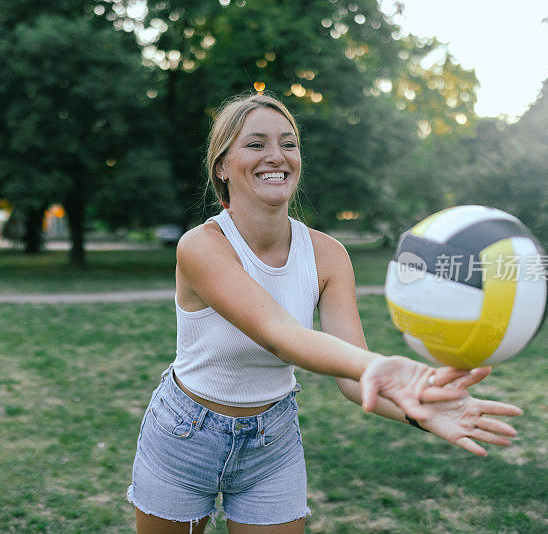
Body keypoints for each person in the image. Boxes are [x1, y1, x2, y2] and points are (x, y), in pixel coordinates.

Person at [127, 92, 522, 534]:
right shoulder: (201, 246)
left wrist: (420, 408)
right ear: (222, 166)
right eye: (256, 144)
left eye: (289, 143)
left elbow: (354, 380)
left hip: (271, 440)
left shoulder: (329, 255)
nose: (277, 155)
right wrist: (383, 367)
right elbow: (278, 331)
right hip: (185, 434)